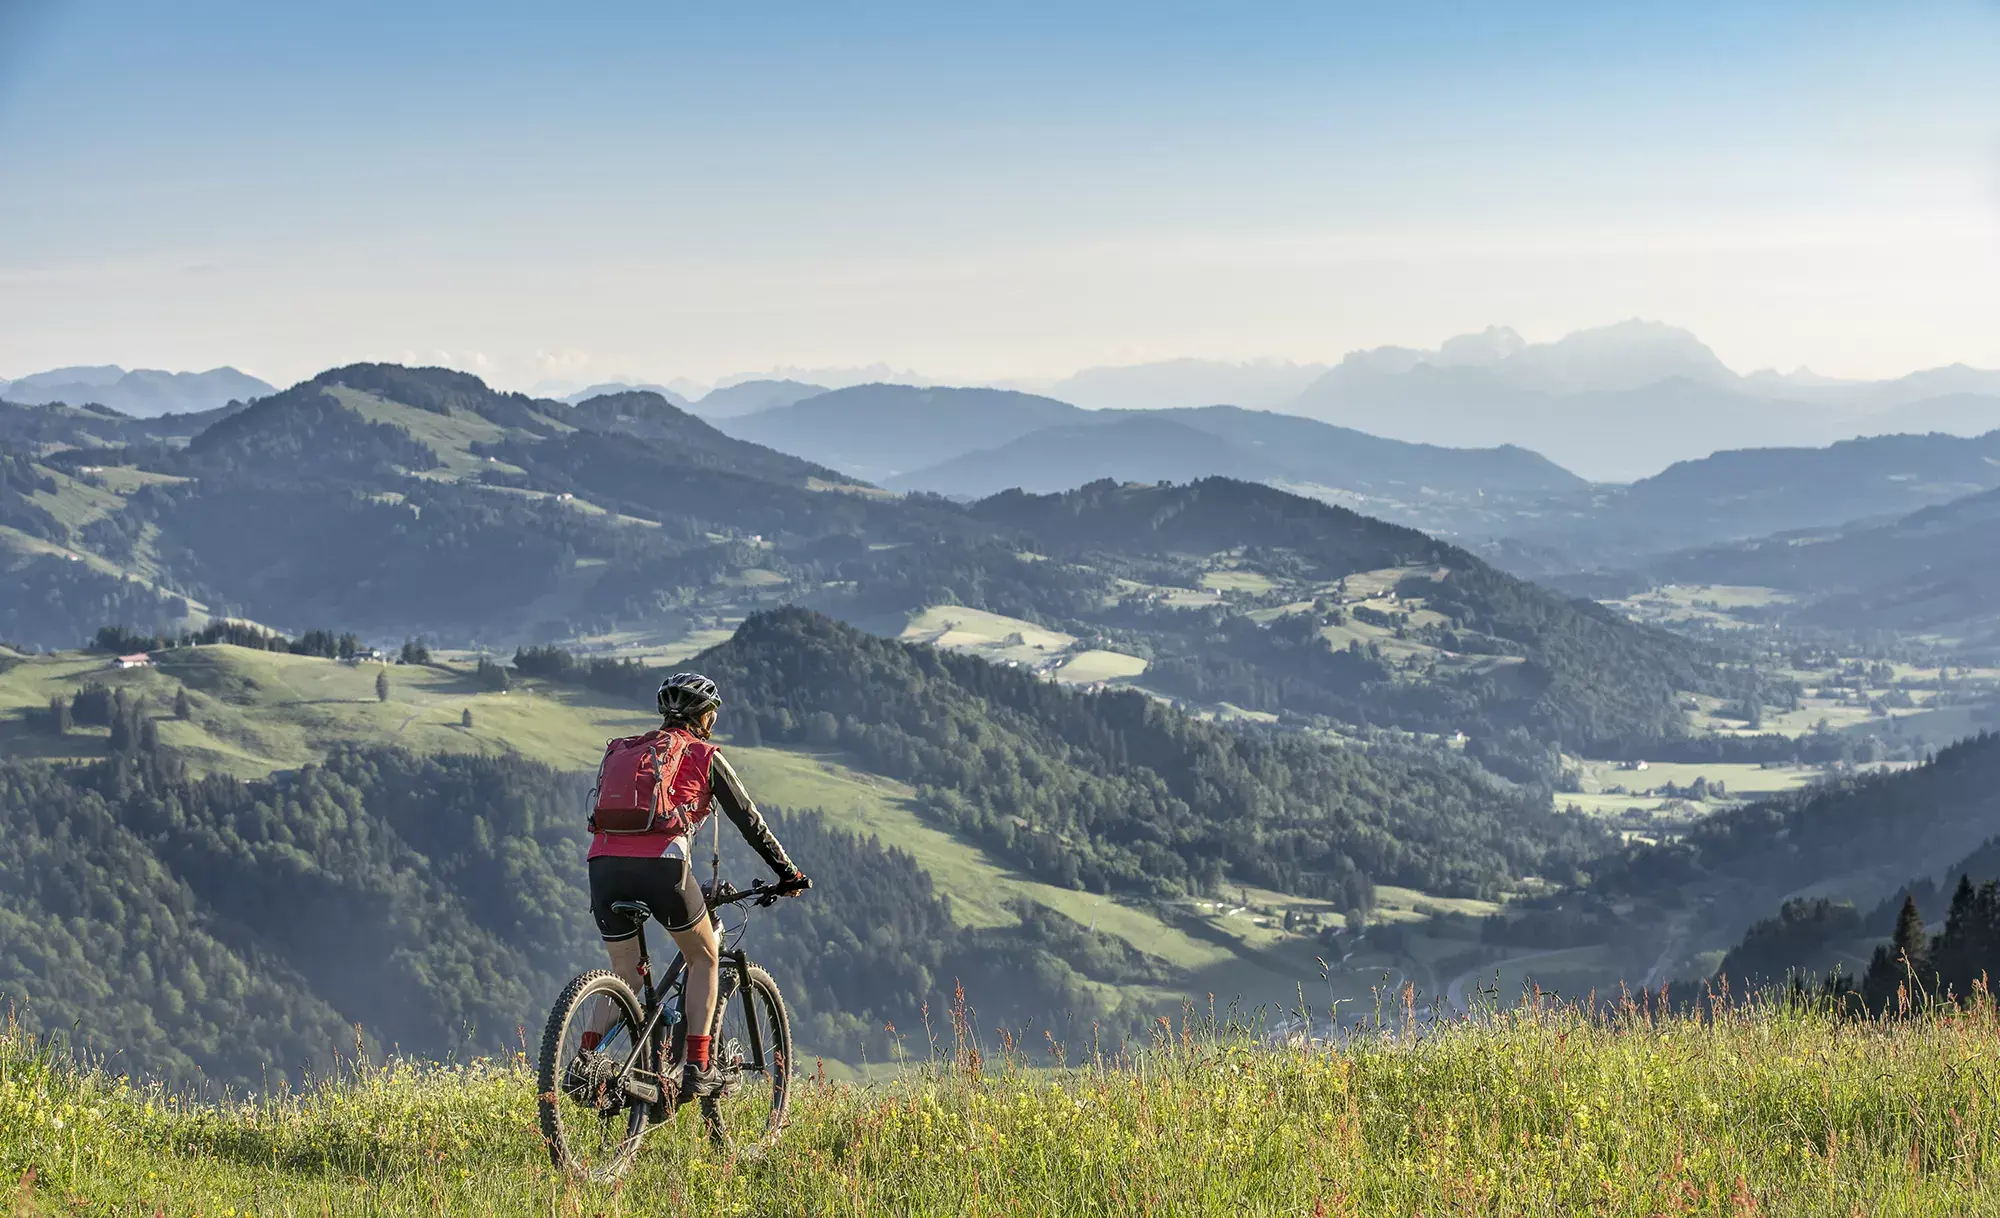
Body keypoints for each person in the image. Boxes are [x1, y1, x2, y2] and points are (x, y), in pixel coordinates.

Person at [582, 671, 808, 1099]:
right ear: (705, 717)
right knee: (704, 957)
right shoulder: (703, 754)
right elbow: (749, 820)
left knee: (625, 974)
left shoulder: (627, 751)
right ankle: (699, 1066)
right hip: (663, 868)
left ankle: (585, 1062)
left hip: (603, 864)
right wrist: (787, 873)